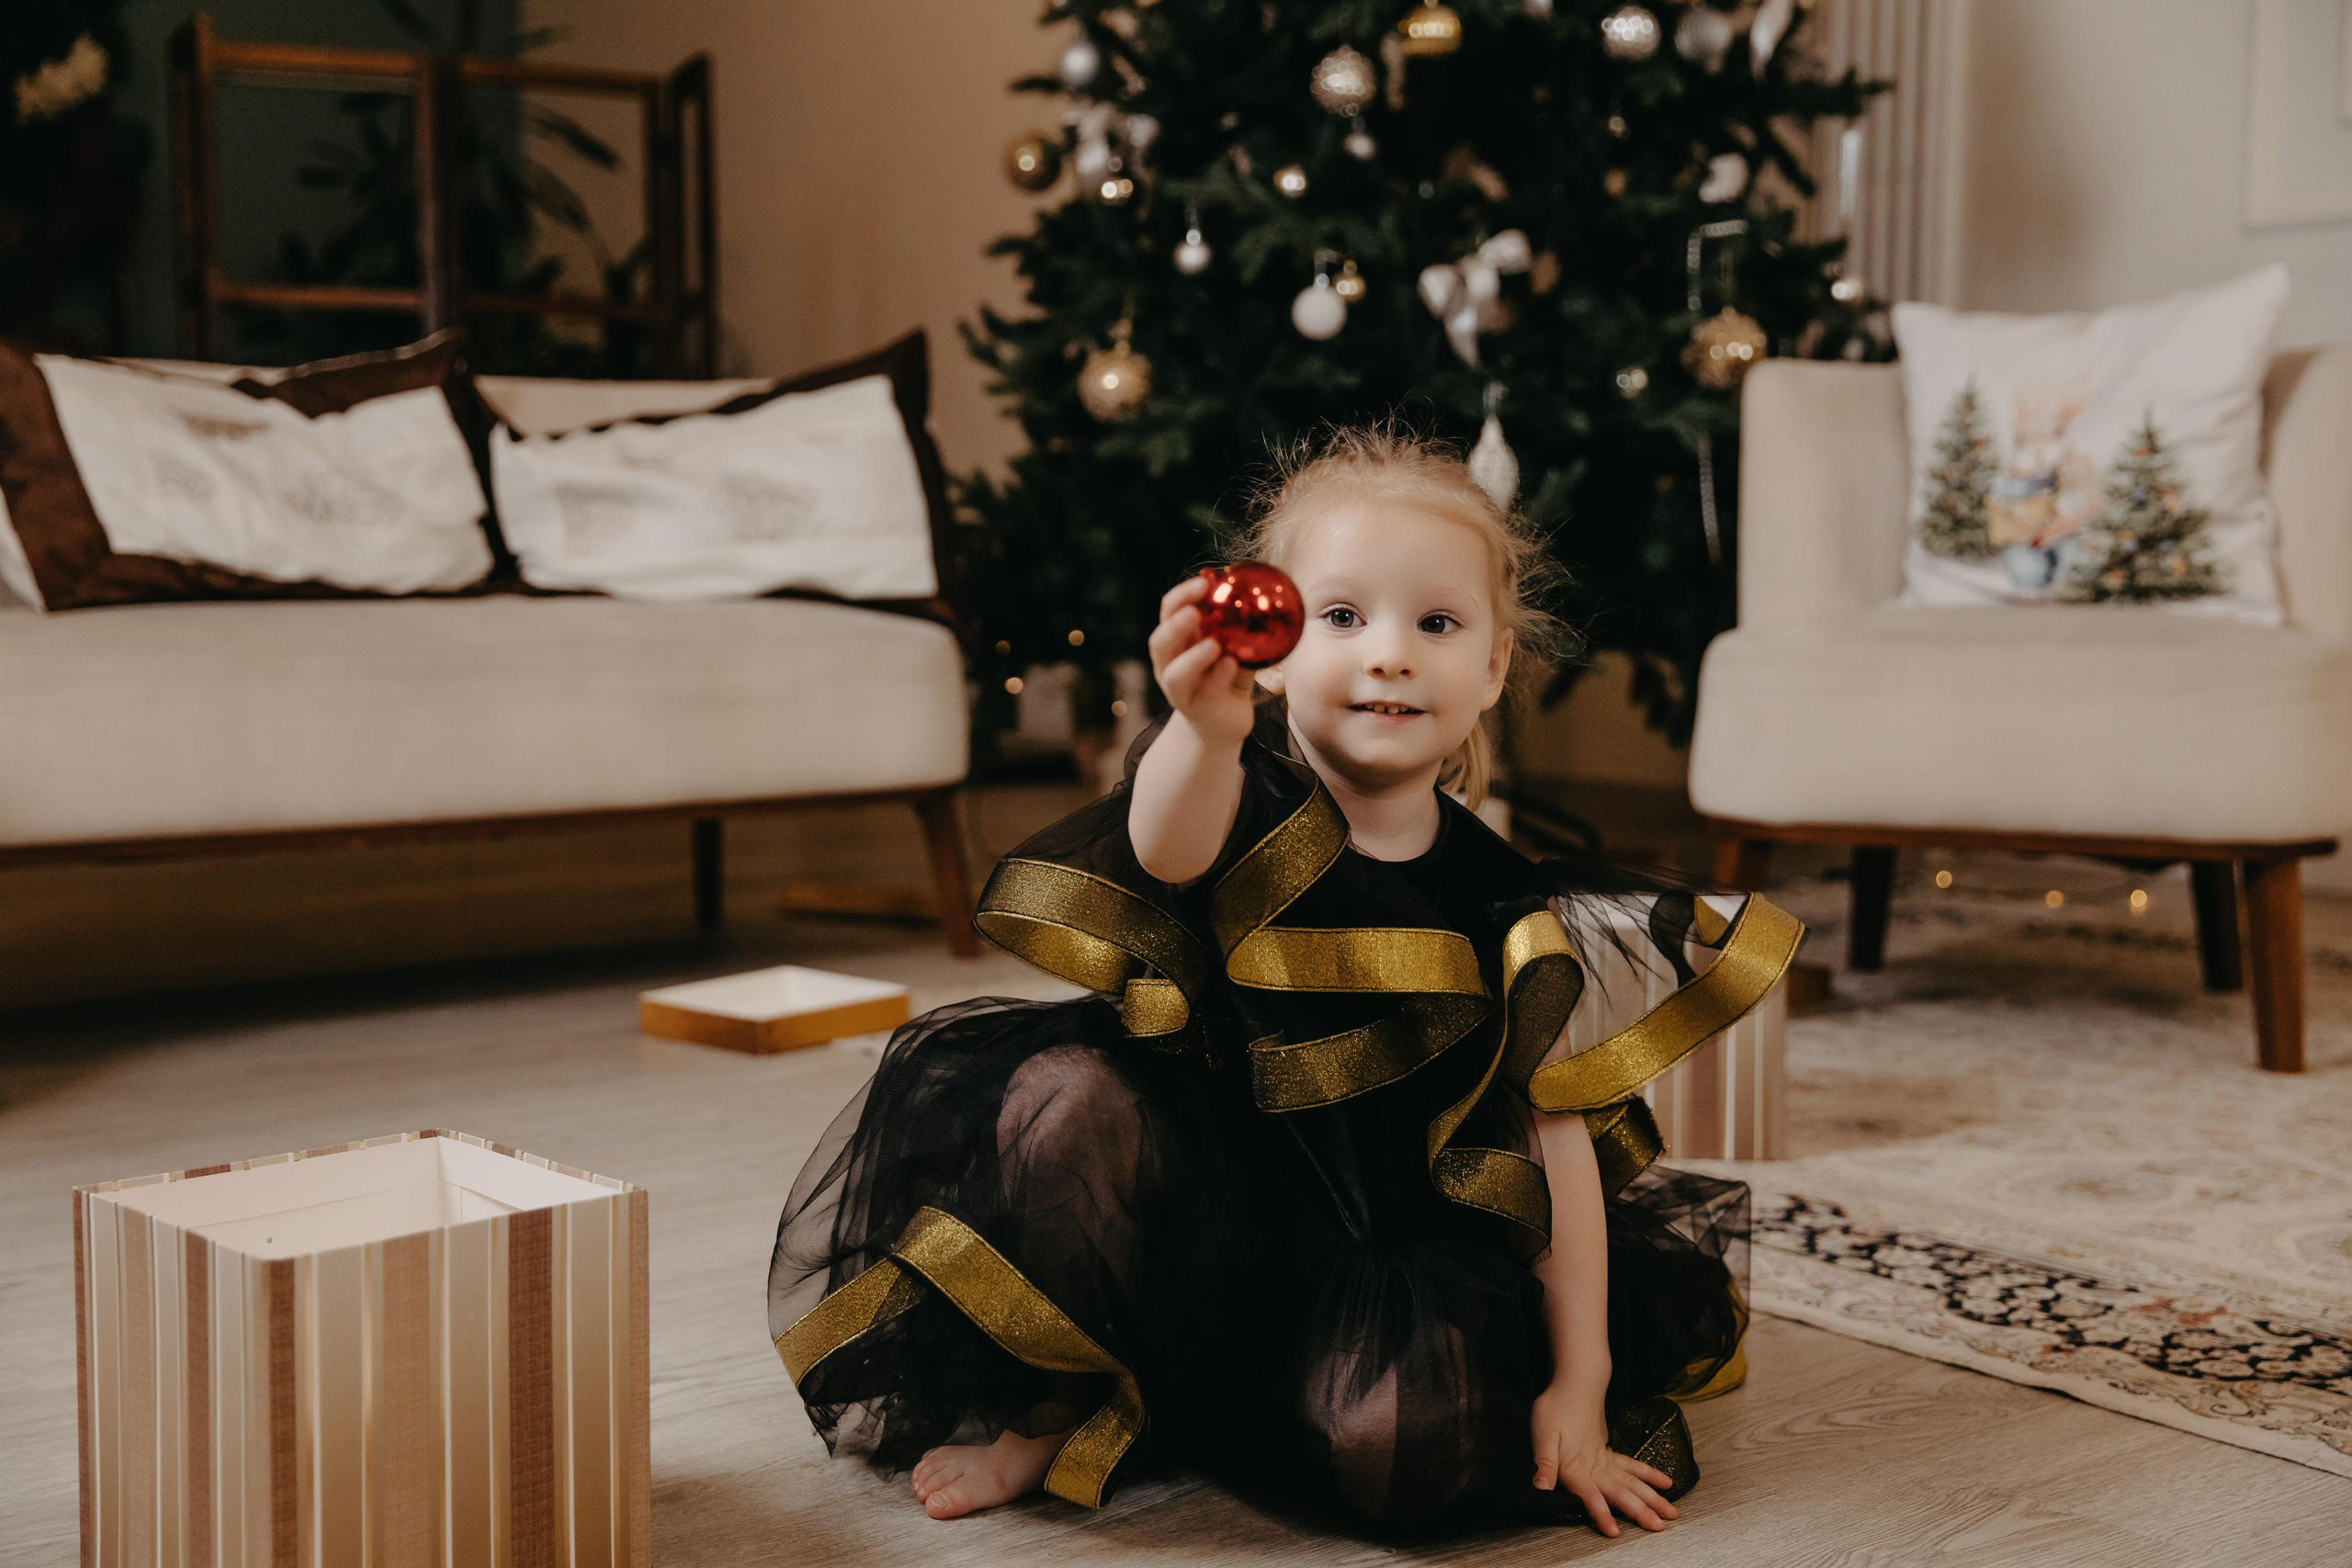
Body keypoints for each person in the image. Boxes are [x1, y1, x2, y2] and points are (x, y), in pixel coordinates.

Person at [770, 424, 1799, 1539]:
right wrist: (1203, 730)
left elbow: (1553, 1142)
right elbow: (1163, 847)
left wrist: (1581, 1381)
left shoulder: (1508, 906)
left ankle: (1204, 1403)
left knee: (1402, 1450)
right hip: (1188, 1203)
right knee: (1056, 1103)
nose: (1389, 653)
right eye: (1343, 617)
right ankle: (1069, 1405)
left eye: (1437, 623)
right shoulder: (1235, 791)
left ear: (1495, 665)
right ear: (1273, 648)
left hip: (1368, 1244)